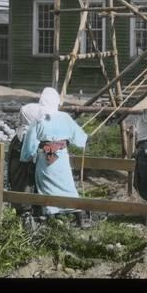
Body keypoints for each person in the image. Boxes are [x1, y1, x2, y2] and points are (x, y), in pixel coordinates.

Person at [20, 87, 89, 225]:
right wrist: (84, 139)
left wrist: (26, 156)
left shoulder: (38, 120)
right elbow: (80, 137)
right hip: (62, 158)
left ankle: (51, 215)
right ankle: (78, 213)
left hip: (46, 159)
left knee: (46, 187)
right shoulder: (65, 118)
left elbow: (30, 143)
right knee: (67, 185)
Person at [7, 103, 44, 221]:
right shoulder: (30, 137)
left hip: (17, 184)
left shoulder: (18, 135)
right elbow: (34, 159)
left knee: (22, 213)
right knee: (28, 216)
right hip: (26, 186)